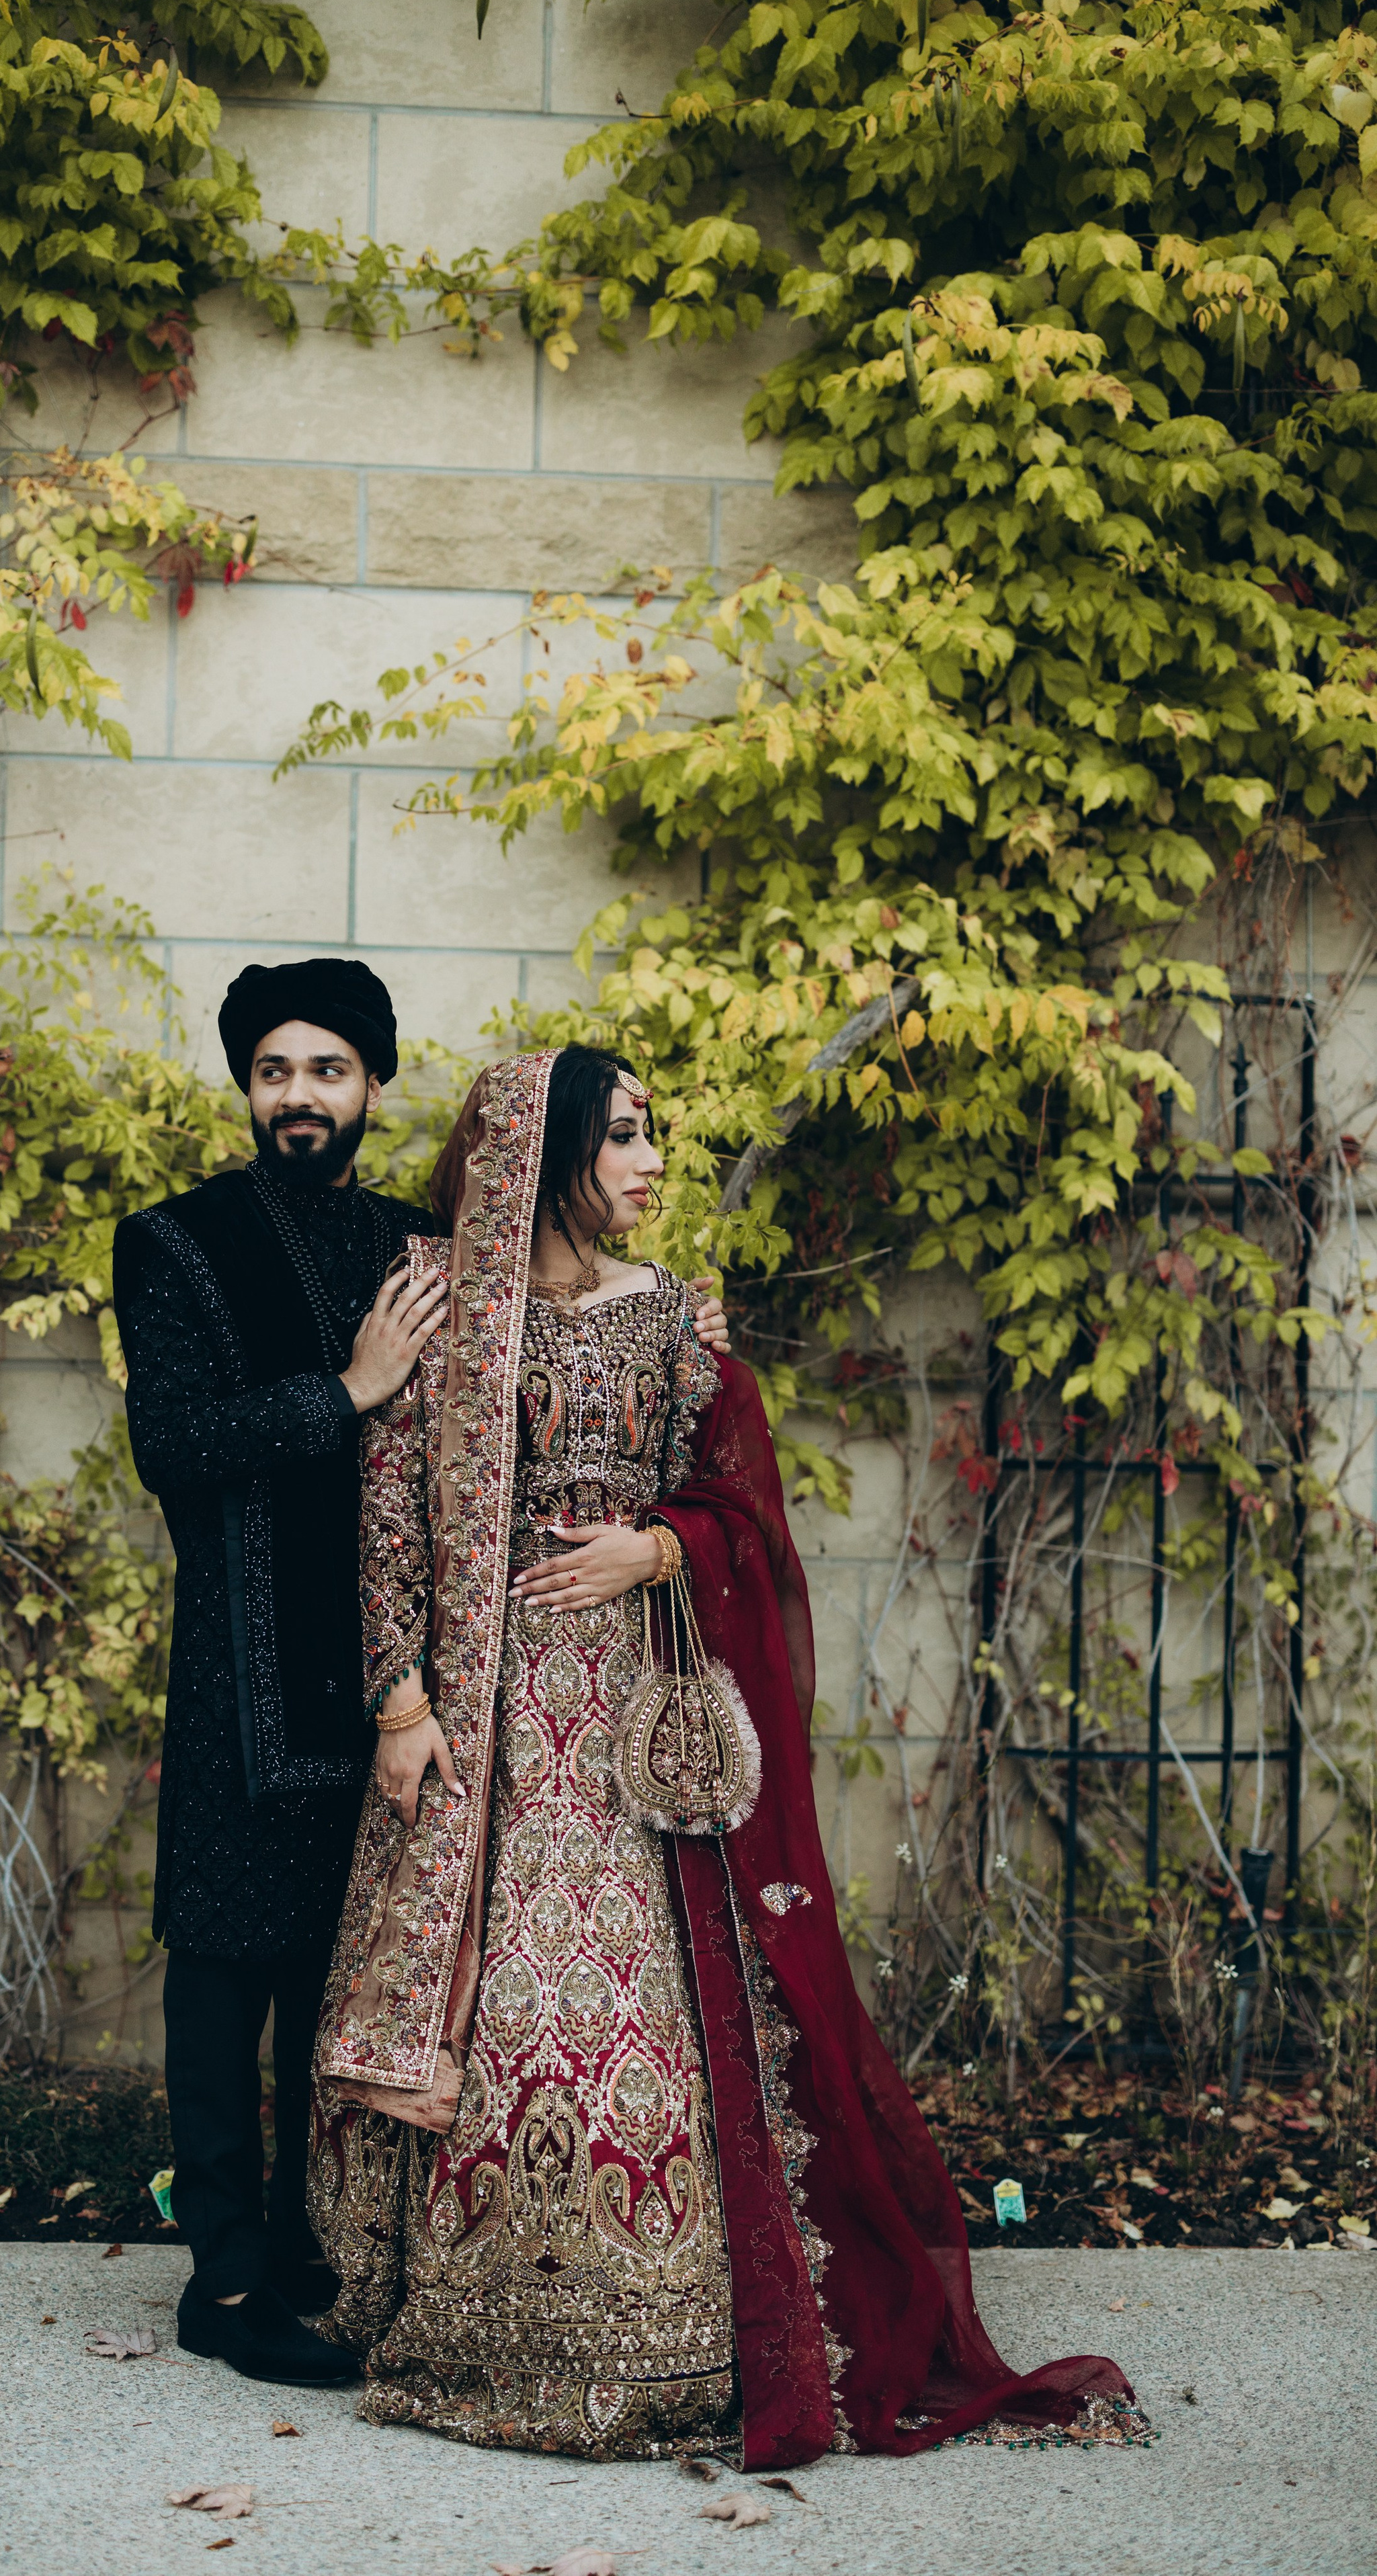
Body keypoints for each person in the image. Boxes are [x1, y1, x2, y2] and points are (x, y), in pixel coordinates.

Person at [307, 1044, 1151, 2464]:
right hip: (486, 1727)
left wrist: (656, 1545)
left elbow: (739, 1514)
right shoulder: (447, 1310)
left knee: (639, 2024)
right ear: (547, 1150)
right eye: (621, 1136)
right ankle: (469, 2329)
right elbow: (385, 1519)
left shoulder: (671, 1326)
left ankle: (670, 2338)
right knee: (496, 2012)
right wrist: (402, 1705)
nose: (648, 1163)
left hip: (636, 1727)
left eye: (655, 1137)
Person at [114, 974, 728, 2391]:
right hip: (250, 1662)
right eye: (272, 1071)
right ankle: (222, 2286)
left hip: (417, 1671)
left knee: (348, 1982)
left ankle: (325, 2264)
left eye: (326, 1069)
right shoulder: (176, 1242)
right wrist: (350, 1385)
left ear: (373, 1087)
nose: (298, 1096)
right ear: (246, 1088)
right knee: (224, 1977)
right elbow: (172, 1445)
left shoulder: (429, 1245)